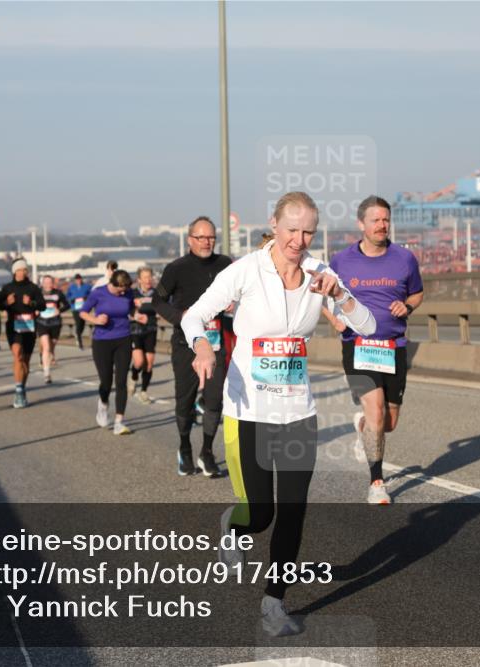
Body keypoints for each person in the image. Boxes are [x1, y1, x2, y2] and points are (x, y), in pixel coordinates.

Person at [183, 191, 376, 637]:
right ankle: (233, 527)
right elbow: (195, 316)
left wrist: (340, 294)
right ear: (274, 224)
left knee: (293, 512)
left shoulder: (319, 272)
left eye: (307, 231)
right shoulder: (246, 270)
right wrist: (202, 346)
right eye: (291, 229)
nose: (299, 239)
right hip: (247, 408)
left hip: (296, 412)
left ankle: (274, 604)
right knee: (261, 513)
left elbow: (366, 325)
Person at [326, 195, 424, 505]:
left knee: (388, 423)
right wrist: (335, 320)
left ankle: (362, 427)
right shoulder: (341, 260)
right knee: (376, 410)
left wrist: (406, 305)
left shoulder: (405, 258)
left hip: (393, 346)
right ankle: (376, 482)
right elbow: (323, 296)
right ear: (361, 224)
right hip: (358, 347)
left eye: (385, 220)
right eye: (375, 220)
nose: (382, 225)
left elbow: (418, 294)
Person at [152, 216, 233, 477]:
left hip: (216, 342)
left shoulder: (225, 264)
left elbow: (239, 295)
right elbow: (158, 301)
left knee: (215, 400)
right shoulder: (176, 268)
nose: (207, 242)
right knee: (185, 400)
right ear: (190, 240)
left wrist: (234, 304)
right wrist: (181, 317)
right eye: (201, 237)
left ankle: (207, 451)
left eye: (211, 237)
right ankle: (185, 447)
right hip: (185, 343)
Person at [80, 269, 137, 435]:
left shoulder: (128, 293)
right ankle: (103, 404)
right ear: (113, 283)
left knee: (121, 381)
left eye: (126, 289)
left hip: (123, 339)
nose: (124, 292)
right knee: (106, 381)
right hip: (102, 341)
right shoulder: (98, 293)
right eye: (121, 289)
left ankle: (119, 422)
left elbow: (131, 310)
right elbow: (83, 312)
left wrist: (137, 315)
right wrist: (96, 320)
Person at [0, 259, 45, 408]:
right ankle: (18, 391)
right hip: (13, 326)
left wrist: (31, 303)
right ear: (14, 272)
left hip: (29, 327)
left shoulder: (33, 288)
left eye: (25, 269)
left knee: (25, 361)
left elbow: (42, 306)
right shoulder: (7, 288)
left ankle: (22, 388)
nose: (23, 272)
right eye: (20, 269)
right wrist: (7, 303)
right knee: (17, 354)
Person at [130, 266, 158, 403]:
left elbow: (162, 308)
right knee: (139, 361)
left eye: (150, 277)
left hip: (151, 329)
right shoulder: (132, 293)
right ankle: (134, 377)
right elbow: (126, 310)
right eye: (145, 277)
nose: (148, 280)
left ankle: (144, 391)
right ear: (139, 279)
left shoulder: (157, 293)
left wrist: (152, 316)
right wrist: (135, 315)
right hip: (135, 330)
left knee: (149, 363)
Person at [36, 275, 70, 384]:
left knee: (51, 347)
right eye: (45, 282)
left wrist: (59, 310)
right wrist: (35, 310)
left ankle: (45, 356)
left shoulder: (58, 293)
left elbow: (67, 305)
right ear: (42, 283)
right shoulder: (38, 293)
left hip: (55, 323)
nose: (47, 284)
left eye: (49, 282)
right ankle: (47, 373)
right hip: (42, 322)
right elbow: (32, 304)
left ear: (52, 283)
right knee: (46, 346)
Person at [66, 273, 92, 350]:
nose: (78, 281)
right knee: (78, 323)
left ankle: (77, 334)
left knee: (82, 324)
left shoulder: (87, 286)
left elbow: (92, 295)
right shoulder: (71, 287)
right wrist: (71, 300)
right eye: (77, 279)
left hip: (84, 308)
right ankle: (80, 343)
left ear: (81, 279)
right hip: (75, 309)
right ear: (75, 280)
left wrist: (86, 298)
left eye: (79, 279)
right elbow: (67, 296)